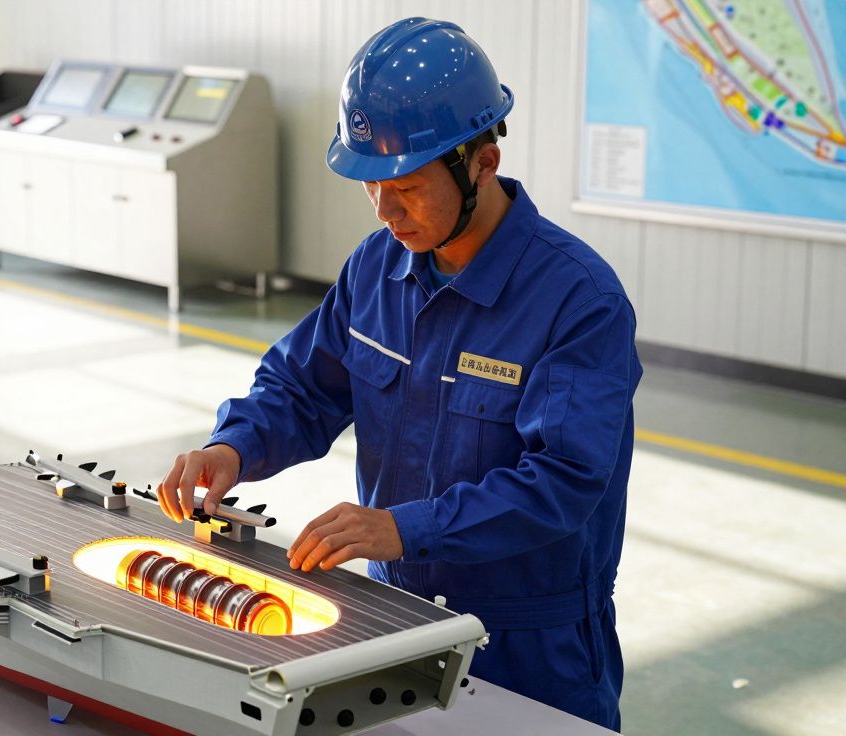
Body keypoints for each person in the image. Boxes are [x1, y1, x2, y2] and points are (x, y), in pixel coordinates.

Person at [157, 17, 640, 731]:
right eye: (371, 186)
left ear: (482, 160)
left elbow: (562, 482)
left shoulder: (577, 302)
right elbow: (303, 387)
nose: (386, 211)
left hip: (531, 647)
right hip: (392, 619)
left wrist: (404, 529)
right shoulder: (376, 269)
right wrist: (234, 447)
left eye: (407, 187)